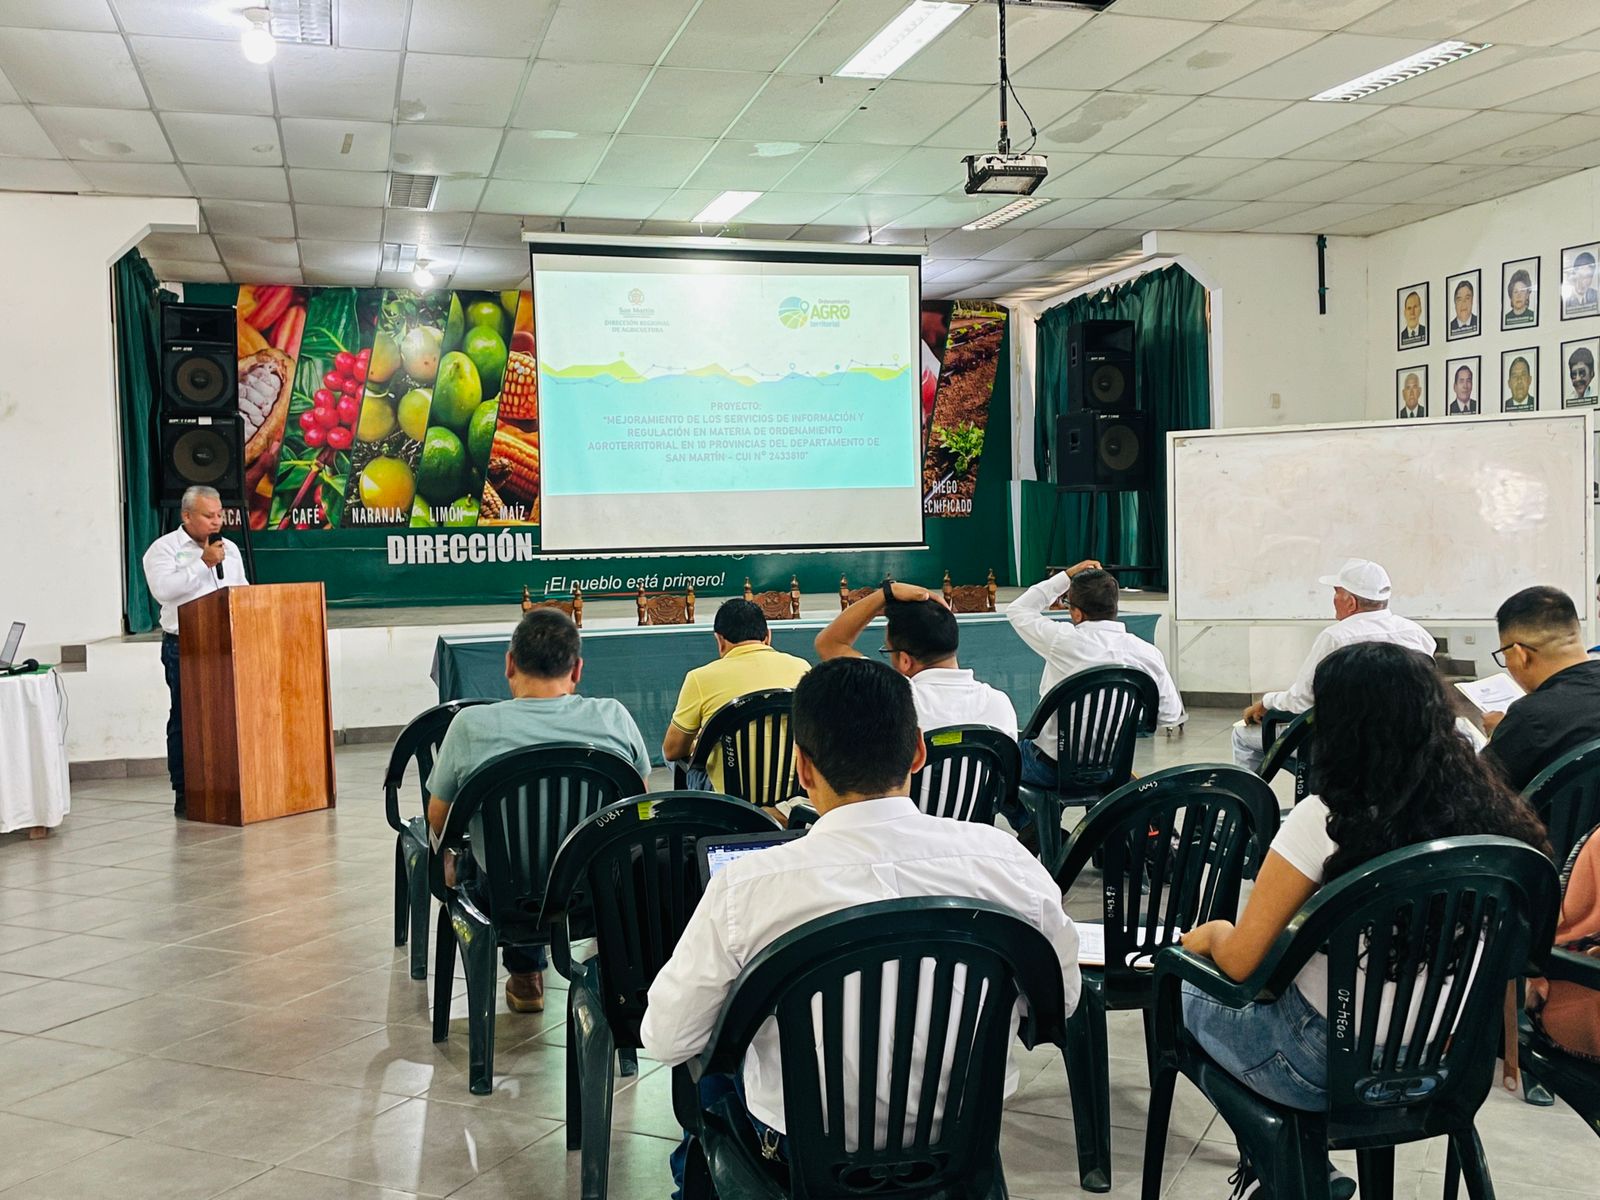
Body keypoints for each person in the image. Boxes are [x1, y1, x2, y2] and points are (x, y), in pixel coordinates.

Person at [641, 657, 1080, 1194]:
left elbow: (665, 1038)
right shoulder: (1007, 862)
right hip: (963, 1148)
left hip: (798, 1159)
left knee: (708, 1086)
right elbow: (1062, 1002)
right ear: (919, 751)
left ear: (802, 768)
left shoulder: (750, 886)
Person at [1182, 642, 1549, 1198]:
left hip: (1325, 1061)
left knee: (1180, 991)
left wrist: (1213, 934)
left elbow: (1242, 962)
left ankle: (1288, 1163)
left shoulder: (1324, 819)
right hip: (1448, 1058)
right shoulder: (1494, 818)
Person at [426, 607, 651, 1014]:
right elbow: (636, 805)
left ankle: (527, 975)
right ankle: (605, 978)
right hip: (594, 893)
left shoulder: (470, 727)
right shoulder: (613, 717)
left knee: (486, 857)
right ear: (577, 669)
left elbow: (438, 821)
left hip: (500, 898)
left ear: (509, 664)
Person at [1007, 563, 1185, 833]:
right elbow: (1170, 715)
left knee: (994, 763)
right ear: (1114, 607)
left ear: (1076, 613)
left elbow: (1018, 609)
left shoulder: (1063, 640)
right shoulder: (1146, 653)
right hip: (1112, 769)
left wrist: (1066, 576)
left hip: (1050, 769)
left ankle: (1038, 831)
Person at [1232, 558, 1435, 772]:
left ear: (1351, 602)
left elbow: (1301, 701)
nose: (1334, 599)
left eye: (1336, 592)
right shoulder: (1418, 634)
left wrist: (1266, 702)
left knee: (1243, 736)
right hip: (1406, 744)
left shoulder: (1337, 638)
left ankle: (1249, 803)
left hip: (1345, 746)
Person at [141, 485, 249, 816]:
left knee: (231, 714)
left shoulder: (228, 548)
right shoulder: (164, 550)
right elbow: (164, 591)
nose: (217, 522)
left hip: (227, 641)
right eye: (208, 516)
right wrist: (202, 563)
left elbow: (241, 589)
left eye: (219, 514)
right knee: (186, 717)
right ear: (187, 515)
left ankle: (231, 783)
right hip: (185, 644)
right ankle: (185, 790)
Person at [814, 578, 1017, 737]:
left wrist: (886, 593)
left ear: (905, 660)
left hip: (908, 793)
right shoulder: (999, 704)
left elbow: (829, 644)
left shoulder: (892, 696)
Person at [662, 598, 809, 791]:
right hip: (791, 796)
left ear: (719, 640)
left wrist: (701, 742)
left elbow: (673, 751)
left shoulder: (700, 678)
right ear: (768, 636)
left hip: (730, 802)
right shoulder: (803, 669)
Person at [1481, 586, 1600, 793]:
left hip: (1554, 825)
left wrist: (1498, 735)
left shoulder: (1530, 718)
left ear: (1521, 654)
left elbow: (1476, 793)